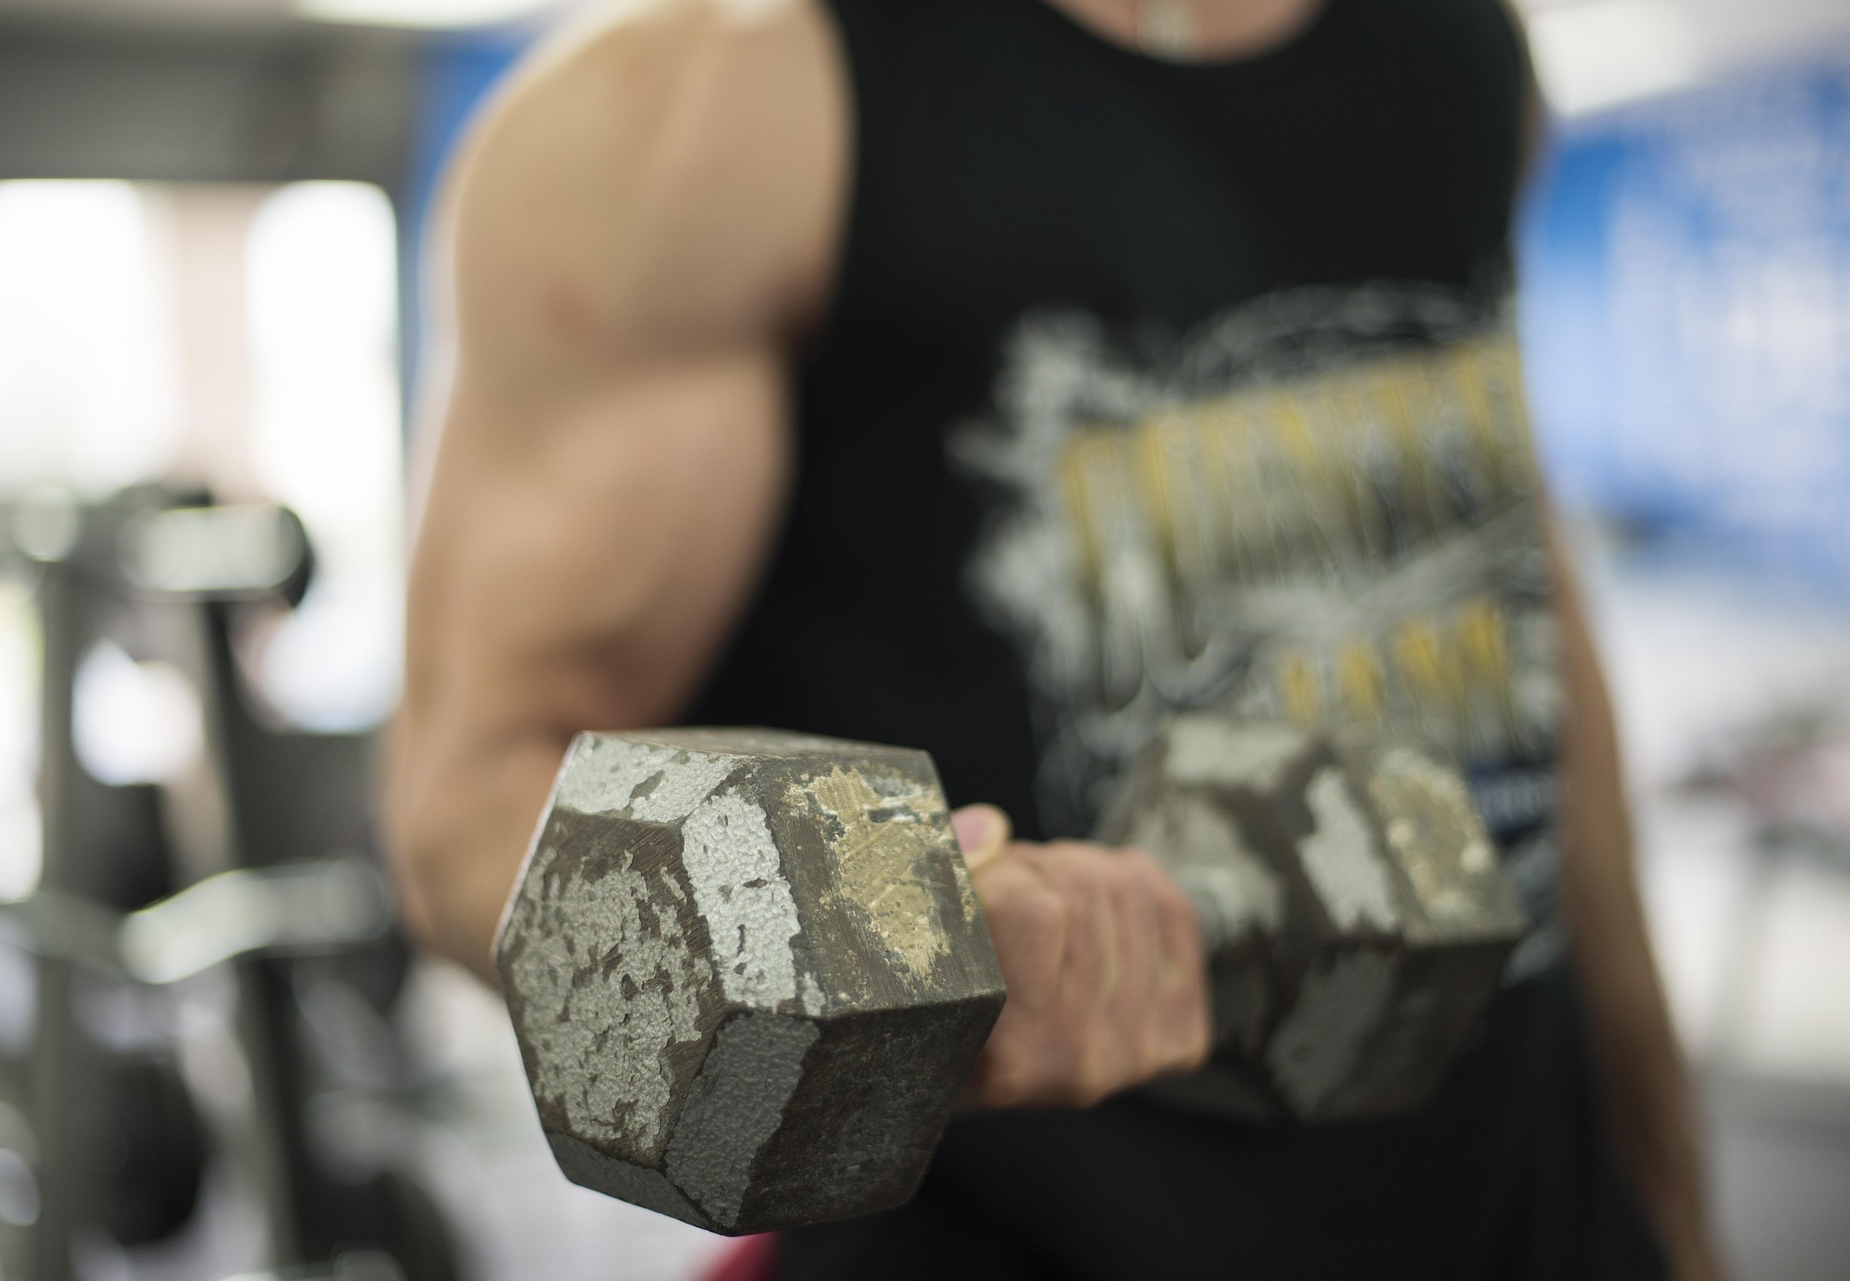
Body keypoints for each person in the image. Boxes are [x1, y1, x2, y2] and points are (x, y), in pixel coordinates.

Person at [385, 0, 1720, 1276]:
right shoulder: (698, 113)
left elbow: (1521, 625)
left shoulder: (1457, 51)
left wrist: (1671, 1196)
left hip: (1546, 1228)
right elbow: (466, 817)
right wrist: (906, 947)